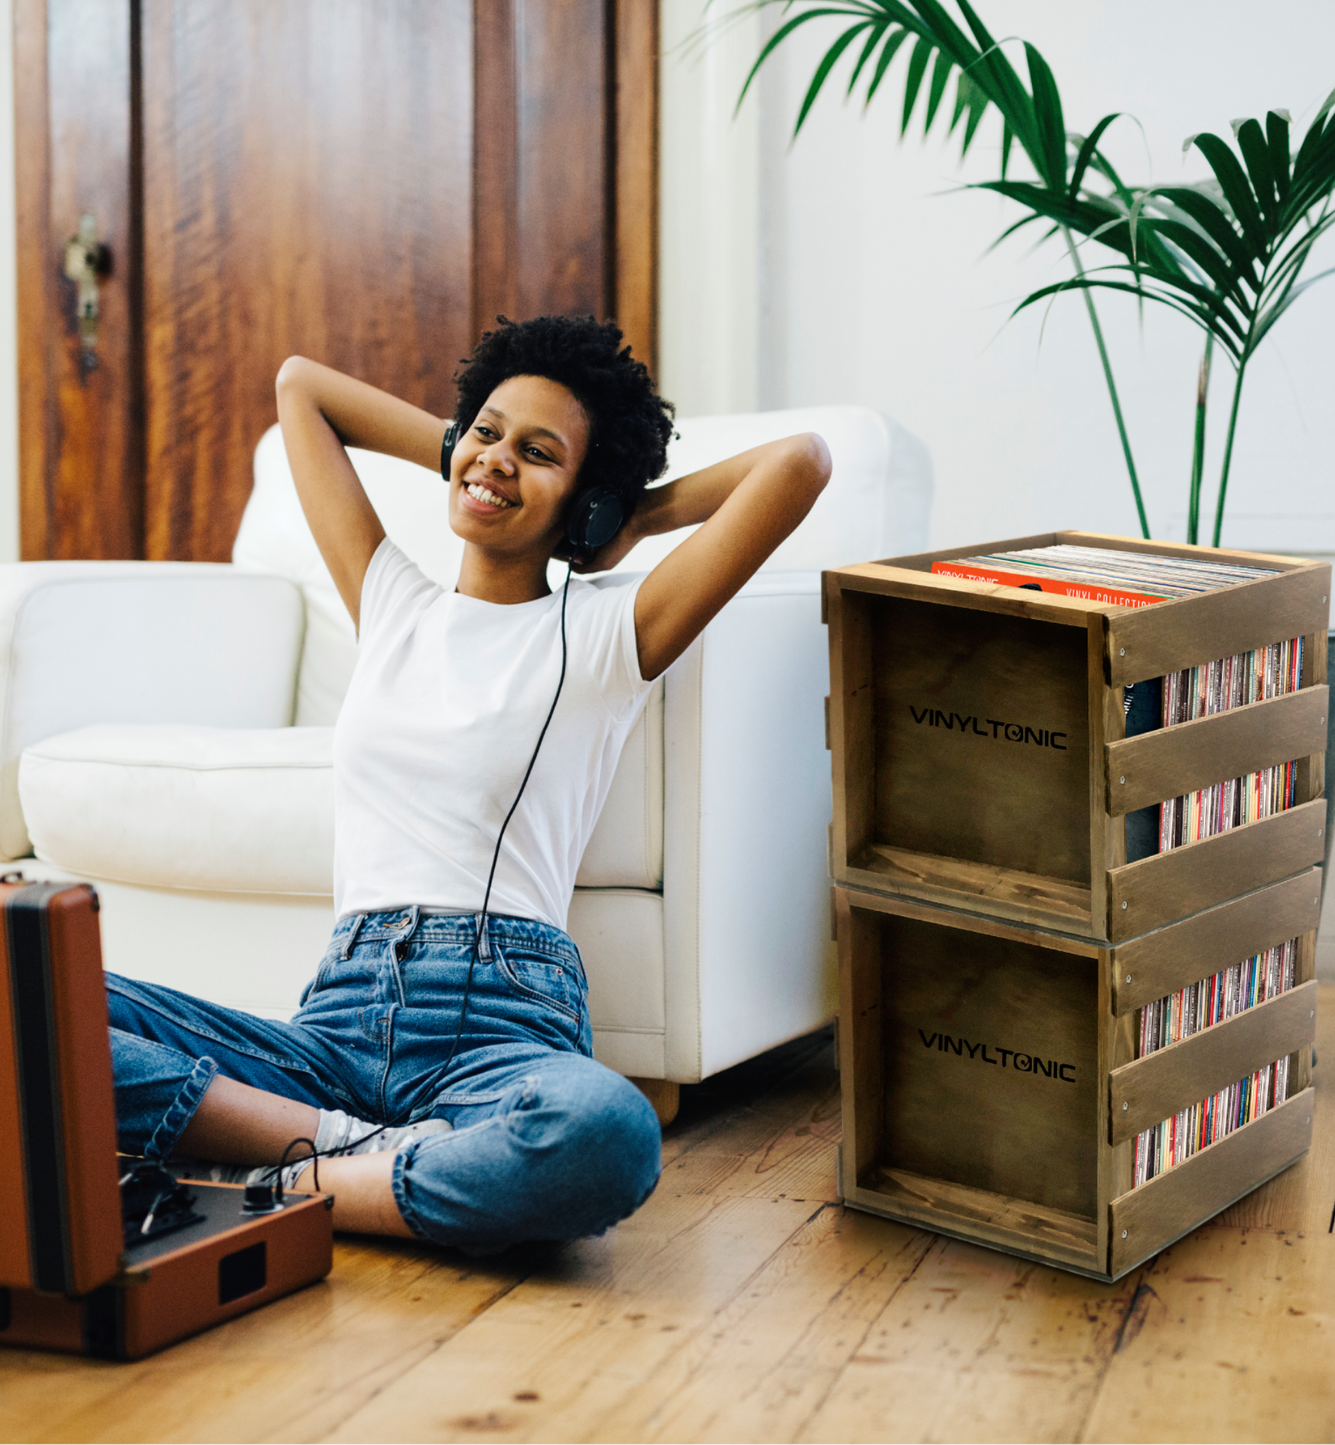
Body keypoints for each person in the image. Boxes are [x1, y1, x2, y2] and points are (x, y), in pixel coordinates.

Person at [106, 315, 831, 1251]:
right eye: (484, 430)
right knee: (18, 1004)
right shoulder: (391, 601)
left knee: (607, 1135)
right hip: (334, 1025)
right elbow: (301, 386)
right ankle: (348, 1154)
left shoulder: (609, 634)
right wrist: (466, 451)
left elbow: (799, 464)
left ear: (585, 494)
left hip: (499, 1021)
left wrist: (621, 516)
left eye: (537, 452)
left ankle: (297, 1174)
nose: (494, 461)